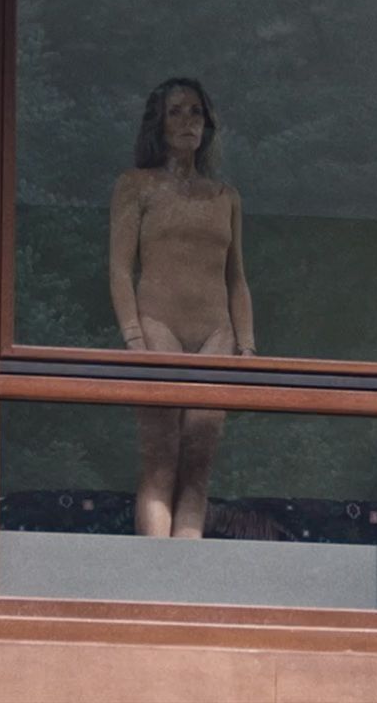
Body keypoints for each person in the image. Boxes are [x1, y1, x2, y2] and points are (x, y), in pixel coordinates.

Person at [108, 77, 254, 539]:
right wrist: (133, 336)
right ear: (159, 122)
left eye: (196, 111)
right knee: (160, 457)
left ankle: (187, 570)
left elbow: (236, 276)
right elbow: (119, 269)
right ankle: (155, 571)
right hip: (157, 325)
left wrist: (247, 347)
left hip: (216, 332)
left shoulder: (225, 196)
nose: (188, 121)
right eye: (176, 111)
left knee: (199, 462)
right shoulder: (136, 186)